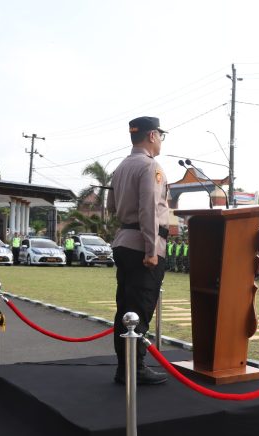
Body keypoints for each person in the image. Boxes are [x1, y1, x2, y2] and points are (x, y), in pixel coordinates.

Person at [106, 116, 170, 385]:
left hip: (124, 240)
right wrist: (151, 248)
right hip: (143, 246)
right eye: (161, 136)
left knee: (125, 309)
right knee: (140, 308)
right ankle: (136, 367)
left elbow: (111, 206)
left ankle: (125, 367)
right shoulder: (150, 166)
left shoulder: (120, 167)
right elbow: (148, 209)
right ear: (152, 135)